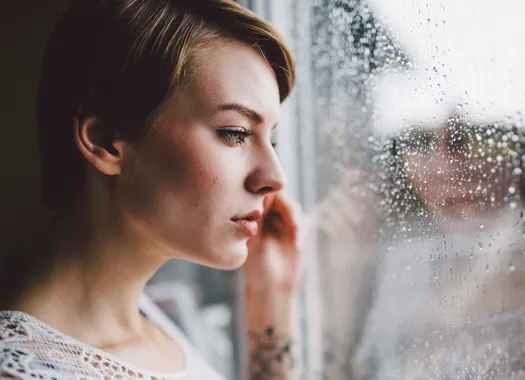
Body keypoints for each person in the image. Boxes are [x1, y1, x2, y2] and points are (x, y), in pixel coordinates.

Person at [0, 0, 304, 379]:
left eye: (270, 141)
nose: (275, 178)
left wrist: (271, 294)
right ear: (107, 141)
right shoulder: (26, 369)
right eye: (235, 133)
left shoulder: (149, 322)